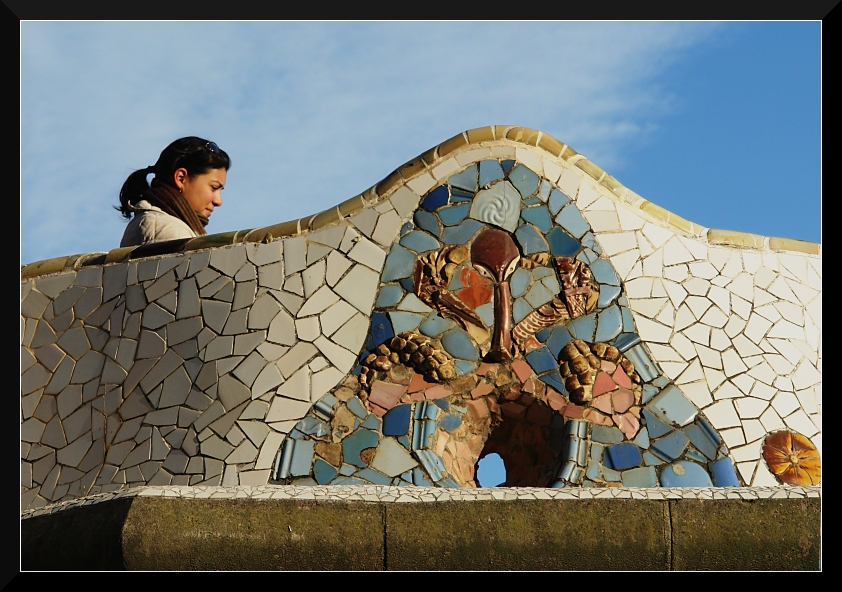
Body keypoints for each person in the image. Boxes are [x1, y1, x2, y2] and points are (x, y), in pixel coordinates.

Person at [117, 136, 231, 247]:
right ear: (181, 179)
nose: (218, 201)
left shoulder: (168, 226)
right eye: (214, 187)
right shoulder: (167, 230)